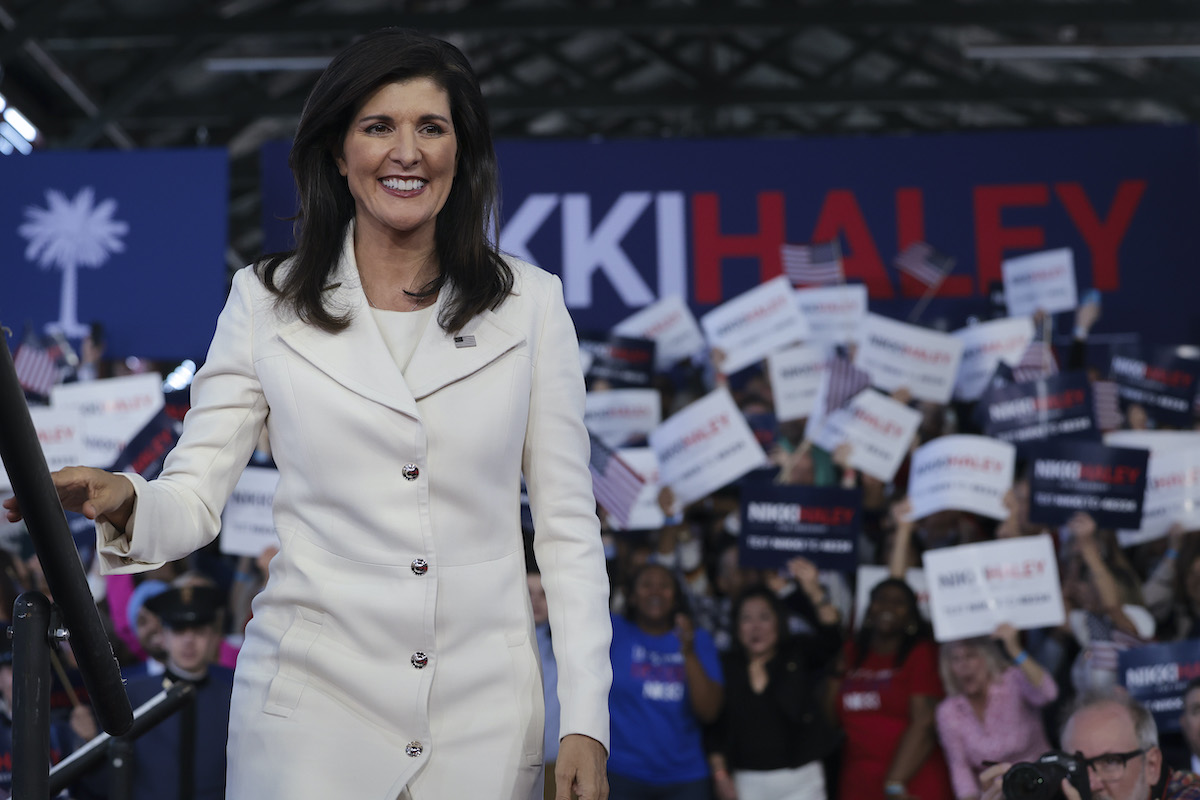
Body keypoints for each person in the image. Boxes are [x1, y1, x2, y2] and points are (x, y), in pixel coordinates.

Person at [5, 27, 612, 800]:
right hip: (308, 711)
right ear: (336, 150)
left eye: (432, 127)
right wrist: (124, 497)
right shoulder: (265, 301)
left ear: (462, 152)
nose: (408, 151)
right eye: (378, 126)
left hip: (486, 715)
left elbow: (567, 527)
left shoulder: (532, 305)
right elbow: (192, 499)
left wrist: (584, 718)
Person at [708, 559, 844, 800]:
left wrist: (813, 590)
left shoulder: (797, 653)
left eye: (764, 617)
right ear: (736, 627)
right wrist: (720, 775)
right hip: (746, 782)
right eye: (746, 618)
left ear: (778, 622)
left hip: (803, 780)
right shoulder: (725, 665)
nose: (756, 627)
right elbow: (714, 726)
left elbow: (832, 640)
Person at [608, 562, 723, 799]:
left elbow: (710, 712)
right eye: (646, 585)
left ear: (676, 597)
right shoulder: (612, 631)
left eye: (665, 586)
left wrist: (688, 652)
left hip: (685, 778)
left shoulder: (698, 640)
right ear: (630, 595)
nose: (655, 592)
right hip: (621, 772)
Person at [833, 577, 953, 800]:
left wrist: (895, 783)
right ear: (869, 609)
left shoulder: (922, 653)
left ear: (911, 615)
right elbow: (830, 718)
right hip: (858, 782)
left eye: (899, 602)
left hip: (909, 782)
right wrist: (834, 671)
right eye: (881, 600)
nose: (888, 607)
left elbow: (925, 722)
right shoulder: (851, 653)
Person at [978, 690, 1200, 800]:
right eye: (1077, 766)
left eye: (1110, 762)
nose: (1092, 784)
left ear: (1151, 766)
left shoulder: (1188, 791)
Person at [122, 585, 235, 800]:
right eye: (178, 631)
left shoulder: (232, 697)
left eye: (200, 632)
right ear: (163, 637)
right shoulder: (134, 695)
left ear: (213, 638)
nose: (189, 641)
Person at [934, 624, 1058, 800]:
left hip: (1042, 784)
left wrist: (1015, 649)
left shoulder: (1012, 680)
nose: (964, 665)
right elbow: (959, 767)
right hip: (997, 794)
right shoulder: (948, 710)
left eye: (971, 656)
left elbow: (1049, 693)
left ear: (987, 657)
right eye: (956, 659)